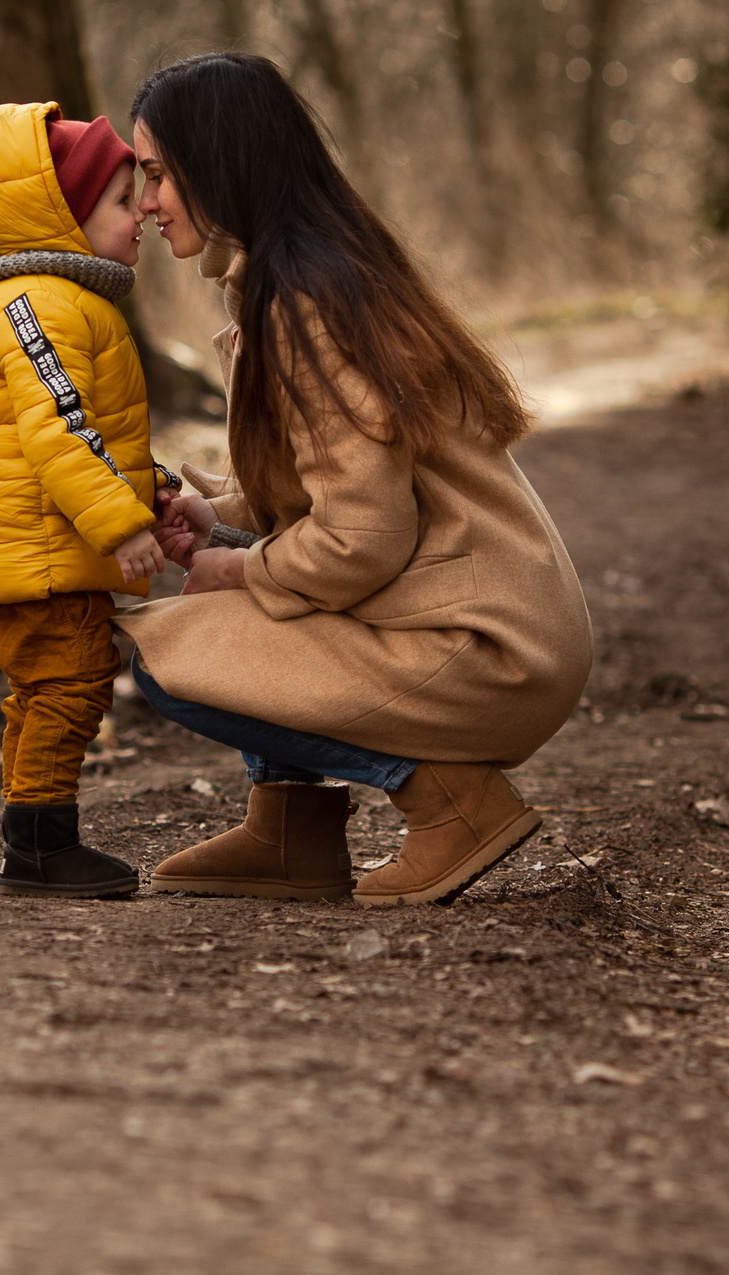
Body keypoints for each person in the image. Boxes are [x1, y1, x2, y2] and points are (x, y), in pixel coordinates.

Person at [117, 53, 593, 906]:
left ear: (219, 164)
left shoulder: (309, 309)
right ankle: (290, 829)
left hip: (483, 650)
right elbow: (319, 490)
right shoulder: (300, 286)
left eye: (156, 174)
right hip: (481, 627)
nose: (145, 201)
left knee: (167, 648)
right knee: (216, 602)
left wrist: (236, 565)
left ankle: (450, 802)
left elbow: (362, 537)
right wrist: (212, 513)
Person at [0, 103, 169, 898]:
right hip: (39, 559)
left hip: (35, 550)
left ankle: (31, 838)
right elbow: (60, 430)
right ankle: (43, 848)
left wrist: (156, 491)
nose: (142, 212)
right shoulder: (41, 304)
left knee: (41, 694)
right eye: (121, 203)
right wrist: (121, 521)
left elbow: (85, 432)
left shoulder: (47, 299)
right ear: (60, 217)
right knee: (71, 686)